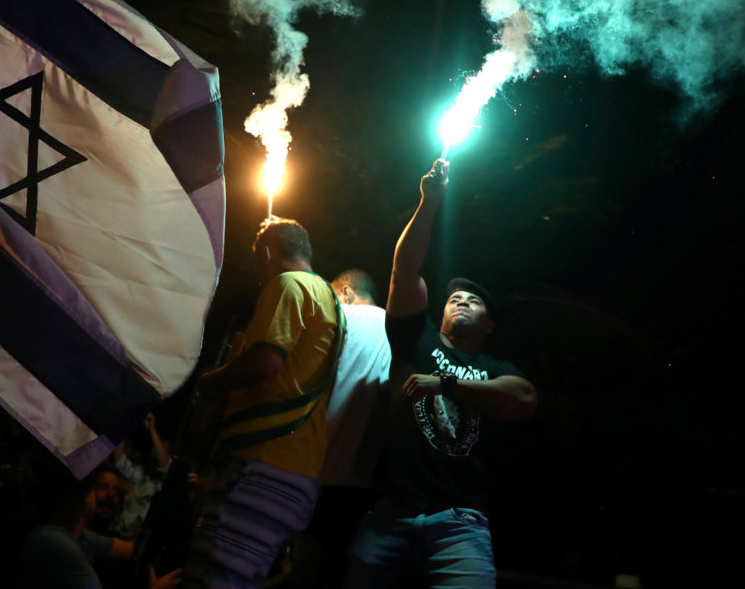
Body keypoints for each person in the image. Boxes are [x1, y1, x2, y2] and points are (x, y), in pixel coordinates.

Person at [344, 159, 538, 588]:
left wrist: (446, 383)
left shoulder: (493, 369)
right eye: (455, 298)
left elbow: (524, 399)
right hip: (389, 514)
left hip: (460, 522)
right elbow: (405, 270)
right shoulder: (418, 338)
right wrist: (429, 203)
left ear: (489, 323)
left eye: (473, 300)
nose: (461, 301)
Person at [182, 217, 343, 588]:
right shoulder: (329, 297)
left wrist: (209, 380)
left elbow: (265, 363)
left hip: (263, 465)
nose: (258, 275)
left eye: (256, 262)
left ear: (268, 254)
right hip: (297, 473)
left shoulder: (287, 284)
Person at [291, 269, 391, 589]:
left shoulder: (340, 317)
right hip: (371, 481)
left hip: (316, 469)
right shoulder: (399, 329)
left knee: (304, 569)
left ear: (344, 293)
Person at [18, 463, 179, 589]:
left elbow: (132, 549)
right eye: (99, 488)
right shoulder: (54, 541)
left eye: (116, 491)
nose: (109, 495)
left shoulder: (83, 537)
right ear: (82, 496)